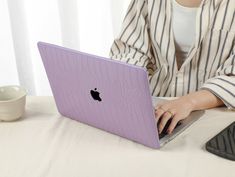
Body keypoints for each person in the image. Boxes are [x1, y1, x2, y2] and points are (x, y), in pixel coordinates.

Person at [109, 0, 235, 134]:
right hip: (155, 111)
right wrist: (122, 86)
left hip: (210, 117)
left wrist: (189, 102)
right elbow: (131, 49)